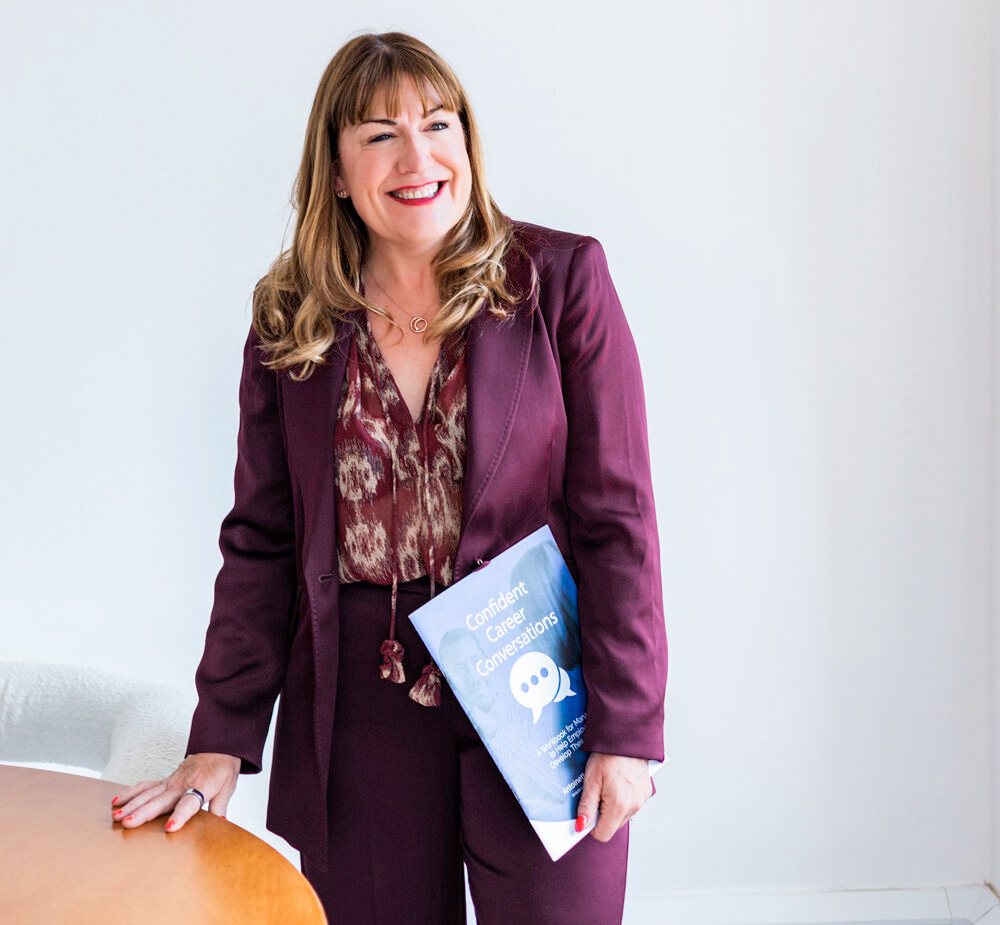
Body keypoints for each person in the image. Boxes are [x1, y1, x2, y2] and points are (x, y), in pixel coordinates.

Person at [109, 31, 668, 925]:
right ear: (336, 171)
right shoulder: (291, 319)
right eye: (379, 135)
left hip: (536, 679)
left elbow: (618, 519)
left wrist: (627, 728)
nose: (418, 158)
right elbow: (263, 541)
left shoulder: (560, 282)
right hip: (360, 703)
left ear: (468, 143)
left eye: (438, 125)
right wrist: (220, 738)